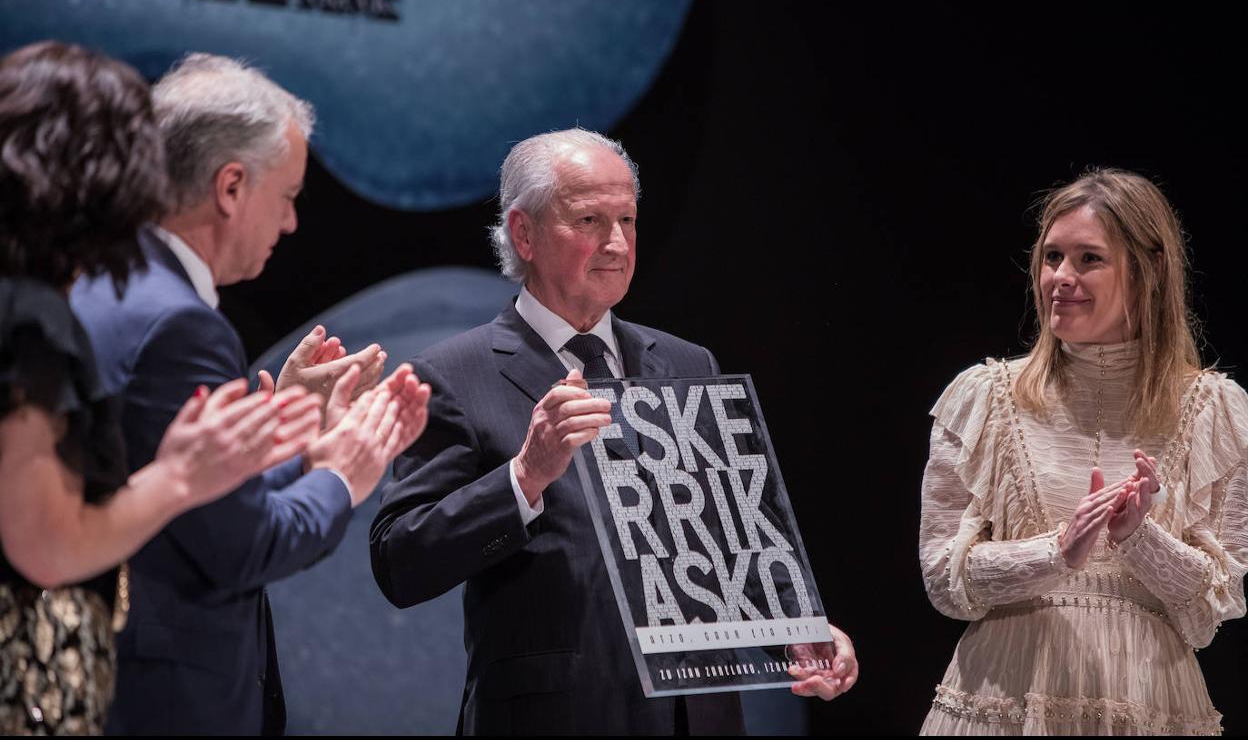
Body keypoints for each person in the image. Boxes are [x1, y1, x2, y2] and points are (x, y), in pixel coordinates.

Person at [370, 128, 856, 734]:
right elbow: (401, 561)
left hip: (696, 718)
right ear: (524, 233)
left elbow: (738, 536)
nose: (618, 242)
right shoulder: (453, 375)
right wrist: (523, 478)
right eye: (590, 220)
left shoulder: (688, 365)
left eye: (627, 219)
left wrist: (797, 628)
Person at [70, 53, 431, 735]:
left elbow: (176, 502)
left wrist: (283, 441)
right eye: (288, 197)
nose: (292, 224)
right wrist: (342, 473)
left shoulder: (100, 285)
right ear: (231, 187)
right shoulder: (182, 324)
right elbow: (241, 547)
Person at [0, 41, 325, 735]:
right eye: (126, 157)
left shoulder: (59, 300)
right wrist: (181, 478)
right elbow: (48, 544)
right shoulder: (30, 317)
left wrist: (244, 449)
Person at [919, 169, 1248, 735]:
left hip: (1148, 702)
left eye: (1088, 259)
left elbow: (1209, 613)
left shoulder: (1214, 410)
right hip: (1005, 698)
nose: (1060, 278)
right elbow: (946, 583)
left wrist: (1139, 537)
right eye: (1051, 257)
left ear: (1150, 271)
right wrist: (1055, 553)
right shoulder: (983, 397)